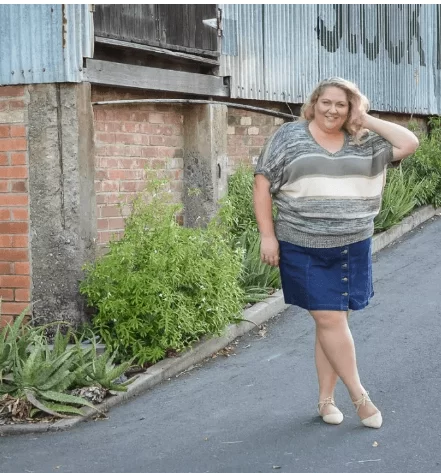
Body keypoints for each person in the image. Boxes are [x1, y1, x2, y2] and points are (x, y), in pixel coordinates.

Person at [253, 77, 419, 429]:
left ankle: (326, 400)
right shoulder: (289, 136)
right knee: (329, 319)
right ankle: (360, 397)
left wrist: (366, 119)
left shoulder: (365, 141)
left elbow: (409, 142)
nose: (332, 110)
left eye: (341, 104)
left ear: (350, 109)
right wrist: (267, 236)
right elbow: (263, 183)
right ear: (313, 104)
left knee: (332, 322)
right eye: (326, 102)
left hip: (353, 245)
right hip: (303, 245)